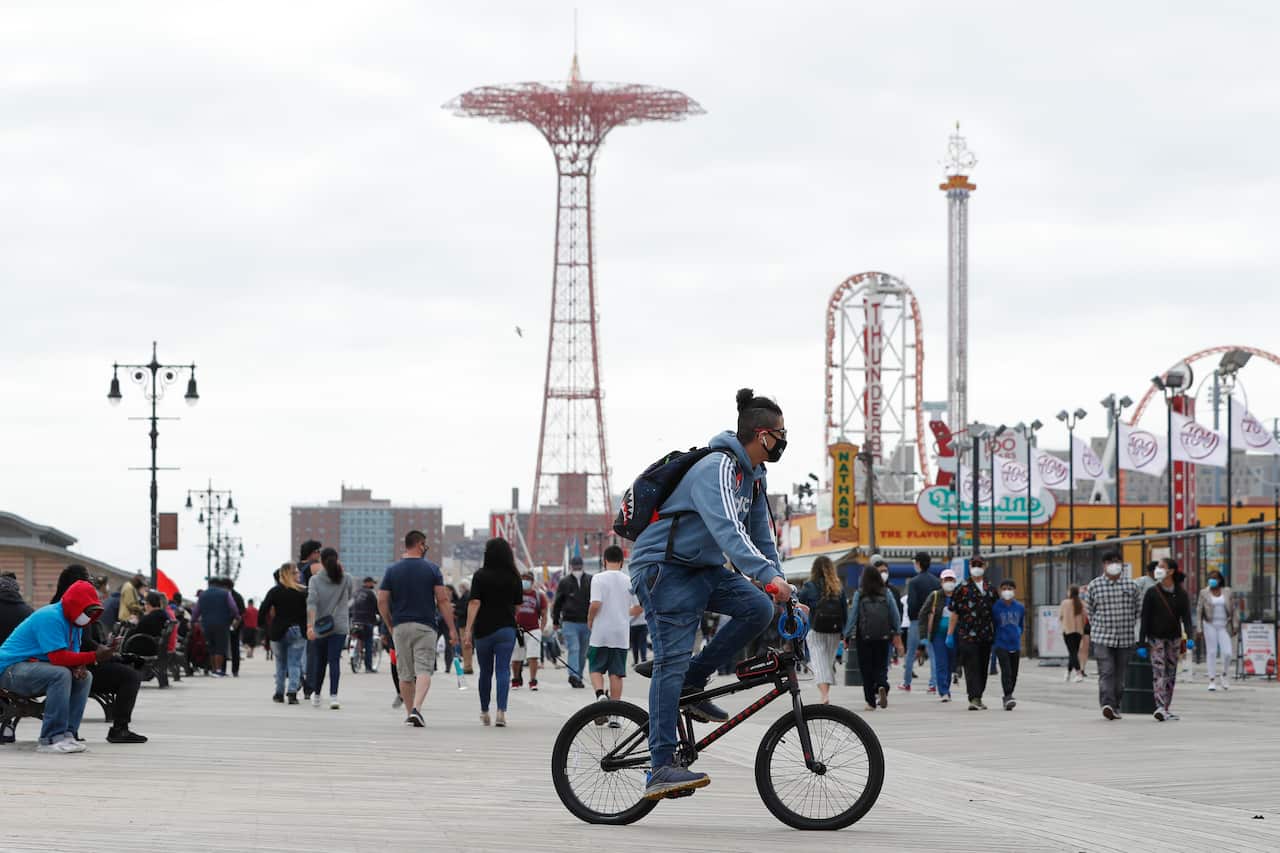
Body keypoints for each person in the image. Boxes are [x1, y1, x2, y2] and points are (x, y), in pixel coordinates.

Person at [629, 388, 788, 800]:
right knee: (671, 660)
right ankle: (660, 765)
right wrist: (768, 576)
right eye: (780, 434)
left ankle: (693, 681)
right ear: (761, 434)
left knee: (757, 606)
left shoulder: (753, 479)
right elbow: (728, 533)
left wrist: (781, 585)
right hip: (664, 568)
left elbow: (761, 539)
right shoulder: (716, 467)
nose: (784, 442)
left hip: (702, 568)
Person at [0, 578, 115, 752]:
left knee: (84, 677)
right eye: (88, 610)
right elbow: (58, 658)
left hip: (31, 668)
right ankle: (50, 738)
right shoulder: (50, 617)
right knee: (60, 674)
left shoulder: (74, 622)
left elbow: (72, 656)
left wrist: (80, 667)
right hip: (9, 670)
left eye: (93, 612)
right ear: (75, 604)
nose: (89, 616)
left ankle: (68, 734)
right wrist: (94, 656)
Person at [51, 566, 149, 743]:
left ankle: (75, 731)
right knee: (130, 676)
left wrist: (112, 653)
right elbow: (85, 644)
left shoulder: (58, 603)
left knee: (126, 670)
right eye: (88, 581)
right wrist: (114, 655)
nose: (92, 586)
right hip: (78, 666)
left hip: (75, 664)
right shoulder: (75, 606)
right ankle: (120, 728)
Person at [378, 530, 458, 728]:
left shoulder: (392, 570)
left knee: (405, 673)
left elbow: (382, 600)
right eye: (425, 546)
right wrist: (452, 629)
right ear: (420, 544)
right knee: (423, 669)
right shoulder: (432, 569)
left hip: (400, 626)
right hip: (425, 626)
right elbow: (442, 600)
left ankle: (409, 714)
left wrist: (389, 624)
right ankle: (417, 709)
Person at [465, 538, 523, 727]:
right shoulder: (514, 576)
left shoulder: (480, 575)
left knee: (485, 672)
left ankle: (484, 711)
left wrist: (467, 630)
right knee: (503, 670)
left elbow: (474, 602)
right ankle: (501, 712)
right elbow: (518, 605)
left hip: (484, 630)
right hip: (506, 628)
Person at [1086, 551, 1141, 720]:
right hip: (1102, 637)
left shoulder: (1131, 586)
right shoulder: (1094, 586)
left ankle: (1116, 705)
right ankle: (1107, 704)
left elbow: (1138, 610)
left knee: (1120, 676)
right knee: (1107, 670)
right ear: (1104, 565)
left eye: (1117, 561)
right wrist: (1097, 626)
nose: (1114, 564)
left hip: (1125, 637)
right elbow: (1090, 611)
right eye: (1110, 562)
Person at [587, 545, 637, 725]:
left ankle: (600, 695)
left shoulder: (598, 578)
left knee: (595, 667)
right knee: (616, 673)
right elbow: (639, 607)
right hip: (621, 633)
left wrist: (590, 619)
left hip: (601, 632)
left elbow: (595, 604)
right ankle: (616, 716)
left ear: (604, 561)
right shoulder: (629, 580)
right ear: (622, 562)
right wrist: (624, 613)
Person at [845, 564, 903, 711]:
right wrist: (897, 631)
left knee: (866, 669)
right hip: (883, 636)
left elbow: (853, 616)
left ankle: (870, 702)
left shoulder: (860, 593)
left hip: (864, 637)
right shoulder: (886, 592)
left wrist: (846, 634)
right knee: (881, 665)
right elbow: (894, 614)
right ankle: (882, 685)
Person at [1140, 560, 1193, 721]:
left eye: (1162, 567)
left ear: (1171, 571)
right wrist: (1141, 642)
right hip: (1156, 638)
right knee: (1159, 672)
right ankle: (1160, 706)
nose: (1158, 570)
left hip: (1174, 638)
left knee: (1171, 673)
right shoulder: (1152, 592)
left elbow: (1186, 617)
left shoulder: (1181, 594)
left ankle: (1166, 707)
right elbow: (1145, 618)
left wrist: (1189, 636)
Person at [307, 547, 356, 709]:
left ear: (321, 561)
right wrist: (343, 609)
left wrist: (311, 626)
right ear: (337, 560)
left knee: (320, 661)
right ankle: (334, 697)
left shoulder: (314, 580)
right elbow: (351, 598)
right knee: (334, 660)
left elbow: (311, 603)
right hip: (340, 625)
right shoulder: (346, 578)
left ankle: (317, 695)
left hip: (321, 626)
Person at [945, 557, 996, 711]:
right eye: (974, 565)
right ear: (969, 567)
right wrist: (950, 634)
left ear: (985, 566)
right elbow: (954, 613)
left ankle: (979, 695)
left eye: (980, 565)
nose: (977, 568)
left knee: (983, 665)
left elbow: (995, 612)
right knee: (971, 665)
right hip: (967, 635)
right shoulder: (962, 588)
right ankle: (973, 697)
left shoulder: (990, 589)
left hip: (986, 635)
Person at [798, 555, 847, 704]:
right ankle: (826, 693)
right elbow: (845, 611)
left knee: (819, 663)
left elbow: (800, 606)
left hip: (815, 629)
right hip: (834, 630)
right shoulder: (838, 587)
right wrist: (844, 633)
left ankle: (824, 695)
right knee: (827, 663)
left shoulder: (809, 586)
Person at [259, 563, 308, 704]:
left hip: (278, 631)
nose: (299, 575)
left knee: (280, 664)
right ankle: (292, 693)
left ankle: (279, 693)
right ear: (291, 574)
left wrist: (266, 628)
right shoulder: (303, 592)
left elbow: (263, 611)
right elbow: (309, 612)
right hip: (297, 630)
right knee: (294, 663)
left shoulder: (274, 591)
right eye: (296, 572)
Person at [900, 551, 940, 693]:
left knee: (910, 653)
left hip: (917, 620)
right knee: (933, 653)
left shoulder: (914, 582)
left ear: (918, 563)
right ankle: (934, 683)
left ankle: (907, 682)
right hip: (932, 621)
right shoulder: (936, 581)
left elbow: (912, 602)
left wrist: (912, 618)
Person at [552, 555, 592, 688]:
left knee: (583, 652)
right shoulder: (565, 582)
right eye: (575, 566)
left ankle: (578, 676)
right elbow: (558, 602)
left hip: (587, 621)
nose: (577, 569)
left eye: (579, 566)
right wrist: (556, 620)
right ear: (571, 567)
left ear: (582, 566)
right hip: (570, 622)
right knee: (574, 648)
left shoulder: (590, 580)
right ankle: (573, 675)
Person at [919, 568, 958, 702]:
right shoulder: (935, 596)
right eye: (946, 580)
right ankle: (944, 691)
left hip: (954, 635)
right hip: (938, 636)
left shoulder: (958, 596)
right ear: (941, 581)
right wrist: (923, 636)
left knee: (951, 663)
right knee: (941, 663)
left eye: (951, 580)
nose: (949, 582)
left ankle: (947, 685)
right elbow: (923, 614)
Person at [1197, 569, 1239, 692]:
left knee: (1227, 653)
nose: (1212, 580)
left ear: (1219, 580)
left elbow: (1234, 609)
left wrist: (1235, 625)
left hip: (1224, 625)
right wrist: (1199, 628)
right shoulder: (1204, 592)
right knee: (1212, 651)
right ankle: (1211, 680)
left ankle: (1224, 675)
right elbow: (1199, 611)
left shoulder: (1227, 592)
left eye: (1215, 578)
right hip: (1209, 624)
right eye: (1210, 578)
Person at [193, 578, 240, 677]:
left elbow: (197, 610)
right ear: (219, 584)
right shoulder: (225, 594)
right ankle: (218, 670)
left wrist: (193, 620)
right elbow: (233, 607)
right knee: (220, 647)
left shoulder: (202, 595)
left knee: (211, 647)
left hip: (206, 624)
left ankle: (213, 669)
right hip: (222, 624)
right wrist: (236, 617)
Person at [512, 571, 548, 690]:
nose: (524, 581)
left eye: (527, 579)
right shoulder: (515, 594)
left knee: (533, 656)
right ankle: (516, 679)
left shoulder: (539, 596)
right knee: (516, 657)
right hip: (517, 630)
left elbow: (544, 614)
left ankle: (533, 680)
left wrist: (541, 629)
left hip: (533, 629)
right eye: (522, 579)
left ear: (532, 581)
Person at [992, 579, 1025, 710]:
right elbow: (993, 624)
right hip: (1001, 643)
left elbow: (1021, 624)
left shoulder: (1019, 607)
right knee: (1006, 670)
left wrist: (1018, 633)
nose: (1007, 591)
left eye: (1010, 588)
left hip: (1015, 644)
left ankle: (1010, 692)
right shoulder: (996, 607)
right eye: (1004, 588)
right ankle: (1007, 695)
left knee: (1014, 672)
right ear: (1000, 591)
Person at [349, 576, 380, 673]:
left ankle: (355, 655)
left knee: (357, 637)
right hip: (367, 621)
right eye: (372, 583)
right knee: (368, 643)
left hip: (355, 620)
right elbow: (377, 606)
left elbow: (351, 606)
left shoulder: (356, 592)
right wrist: (379, 616)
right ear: (368, 583)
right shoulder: (371, 593)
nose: (373, 585)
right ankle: (368, 667)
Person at [1059, 585, 1086, 682]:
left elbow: (1060, 616)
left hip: (1068, 631)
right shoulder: (1081, 603)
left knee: (1072, 652)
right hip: (1078, 631)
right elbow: (1084, 619)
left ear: (1070, 592)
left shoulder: (1065, 603)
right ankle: (1068, 672)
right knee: (1074, 652)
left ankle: (1079, 673)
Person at [228, 580, 246, 677]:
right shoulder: (237, 596)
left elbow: (242, 611)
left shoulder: (237, 596)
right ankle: (224, 669)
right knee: (227, 647)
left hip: (235, 624)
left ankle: (235, 669)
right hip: (227, 624)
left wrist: (236, 621)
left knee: (234, 647)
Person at [454, 581, 472, 674]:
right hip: (464, 622)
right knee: (465, 645)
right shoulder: (466, 596)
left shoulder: (466, 596)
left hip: (464, 623)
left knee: (466, 645)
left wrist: (455, 611)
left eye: (461, 587)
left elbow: (464, 610)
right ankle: (467, 665)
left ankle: (467, 666)